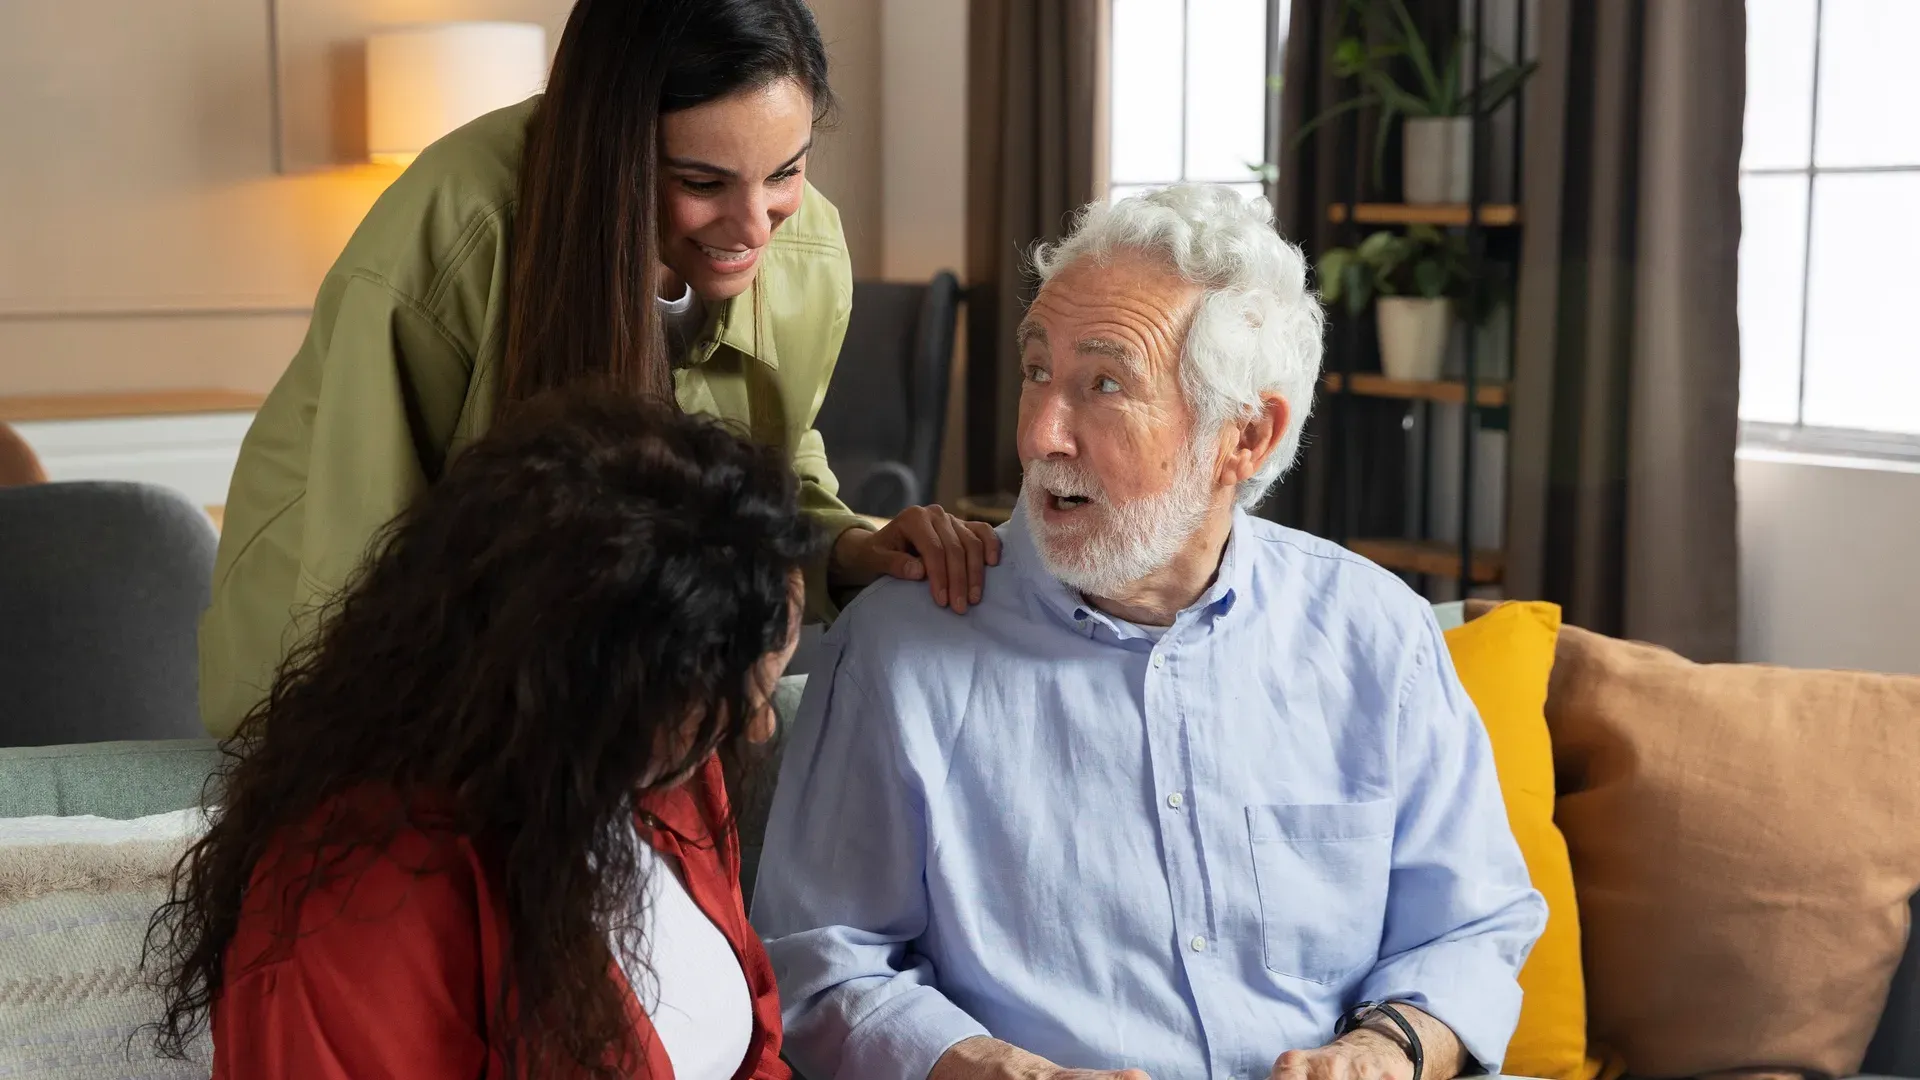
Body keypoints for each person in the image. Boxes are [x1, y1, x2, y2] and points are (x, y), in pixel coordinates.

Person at [752, 184, 1548, 1080]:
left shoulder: (1376, 635)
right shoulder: (904, 645)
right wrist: (992, 1070)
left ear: (1244, 437)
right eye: (1036, 371)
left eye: (1103, 384)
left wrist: (1387, 1049)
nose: (1041, 434)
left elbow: (1472, 922)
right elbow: (819, 962)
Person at [198, 0, 997, 738]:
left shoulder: (808, 255)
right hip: (357, 659)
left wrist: (853, 549)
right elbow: (358, 555)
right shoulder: (458, 229)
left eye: (785, 172)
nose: (755, 226)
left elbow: (771, 472)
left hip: (594, 679)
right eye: (700, 183)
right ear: (615, 151)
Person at [150, 390, 815, 1079]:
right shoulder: (355, 914)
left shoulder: (666, 777)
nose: (760, 728)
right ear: (595, 688)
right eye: (736, 700)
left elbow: (755, 1057)